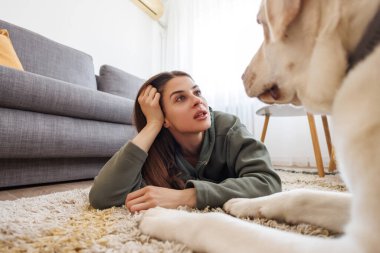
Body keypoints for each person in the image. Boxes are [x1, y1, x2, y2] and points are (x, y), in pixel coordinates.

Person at [89, 71, 281, 211]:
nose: (198, 101)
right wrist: (153, 124)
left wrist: (187, 197)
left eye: (197, 92)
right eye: (180, 98)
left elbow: (268, 183)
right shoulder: (157, 151)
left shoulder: (228, 127)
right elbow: (102, 197)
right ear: (164, 117)